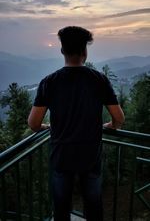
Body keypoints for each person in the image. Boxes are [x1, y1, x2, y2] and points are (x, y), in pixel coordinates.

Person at [28, 26, 125, 221]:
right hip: (90, 155)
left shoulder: (49, 82)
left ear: (62, 50)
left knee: (61, 207)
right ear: (85, 52)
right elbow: (119, 118)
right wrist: (110, 126)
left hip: (61, 155)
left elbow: (34, 123)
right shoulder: (99, 80)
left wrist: (46, 128)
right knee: (93, 204)